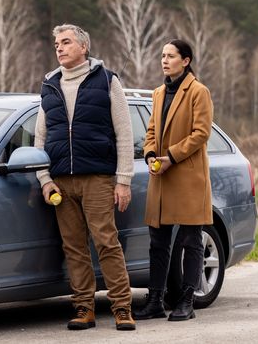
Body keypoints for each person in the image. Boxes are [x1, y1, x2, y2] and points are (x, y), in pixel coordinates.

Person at [34, 23, 136, 331]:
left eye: (66, 42)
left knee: (106, 242)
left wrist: (123, 180)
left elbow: (124, 132)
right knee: (73, 247)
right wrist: (43, 178)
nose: (60, 48)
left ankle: (121, 308)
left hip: (97, 178)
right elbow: (40, 137)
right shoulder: (50, 84)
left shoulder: (106, 80)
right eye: (57, 44)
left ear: (83, 47)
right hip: (61, 182)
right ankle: (83, 309)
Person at [133, 39, 213, 322]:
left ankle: (186, 301)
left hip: (187, 175)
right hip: (161, 176)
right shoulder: (157, 93)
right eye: (162, 56)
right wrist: (151, 153)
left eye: (171, 56)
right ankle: (155, 300)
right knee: (158, 241)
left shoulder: (198, 92)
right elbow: (152, 128)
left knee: (191, 240)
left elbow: (201, 133)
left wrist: (171, 156)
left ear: (186, 60)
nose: (164, 60)